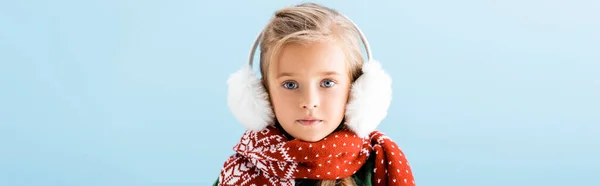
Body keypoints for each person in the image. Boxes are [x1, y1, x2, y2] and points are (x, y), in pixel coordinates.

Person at [214, 2, 416, 186]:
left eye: (327, 83)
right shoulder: (238, 173)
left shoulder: (379, 164)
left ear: (357, 90)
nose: (309, 102)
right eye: (290, 84)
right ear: (262, 94)